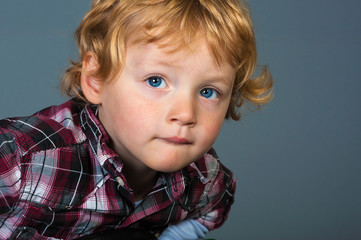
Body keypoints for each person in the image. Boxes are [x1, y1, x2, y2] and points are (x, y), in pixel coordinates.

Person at [0, 0, 273, 239]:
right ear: (96, 80)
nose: (186, 114)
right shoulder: (19, 161)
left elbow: (210, 213)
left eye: (208, 91)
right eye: (156, 81)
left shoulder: (206, 181)